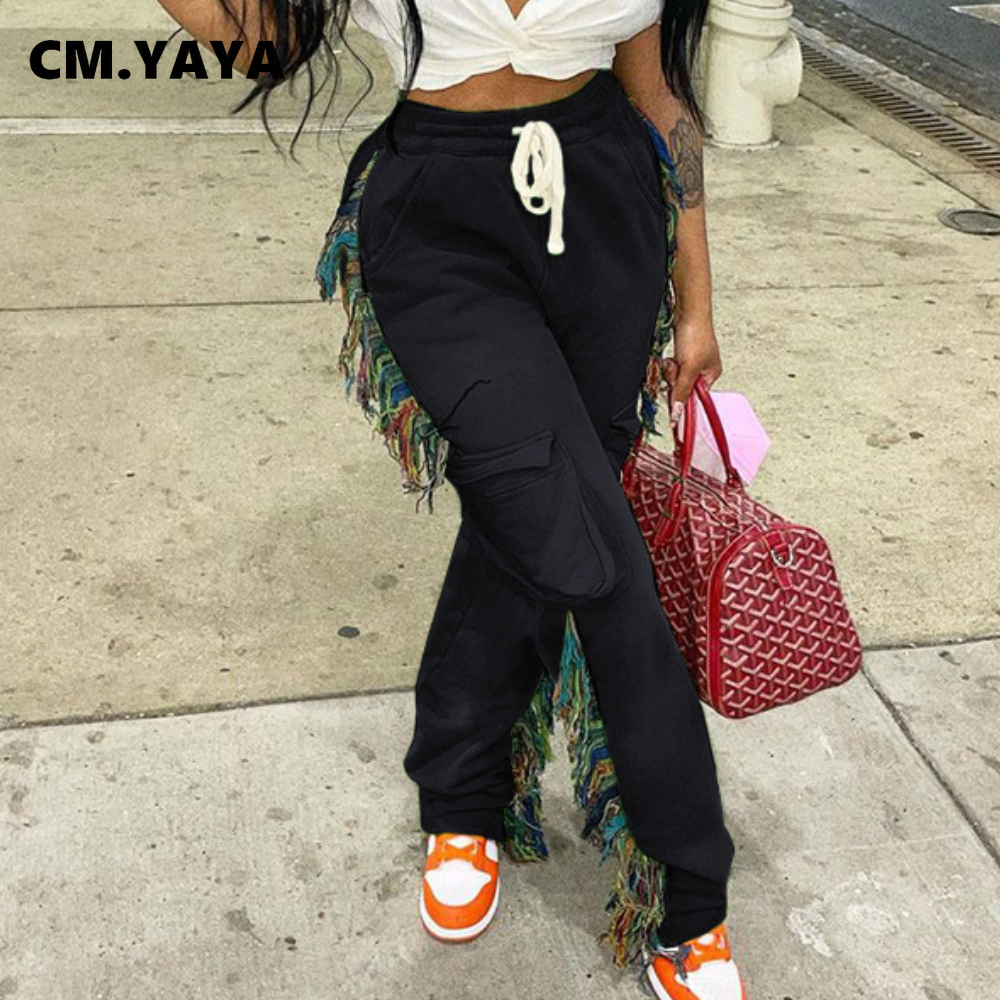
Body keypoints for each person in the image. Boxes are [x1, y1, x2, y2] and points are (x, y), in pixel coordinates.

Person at [156, 2, 747, 997]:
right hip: (440, 229)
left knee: (526, 532)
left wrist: (697, 302)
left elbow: (658, 98)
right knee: (593, 560)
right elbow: (255, 31)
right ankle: (689, 895)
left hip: (605, 221)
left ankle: (463, 791)